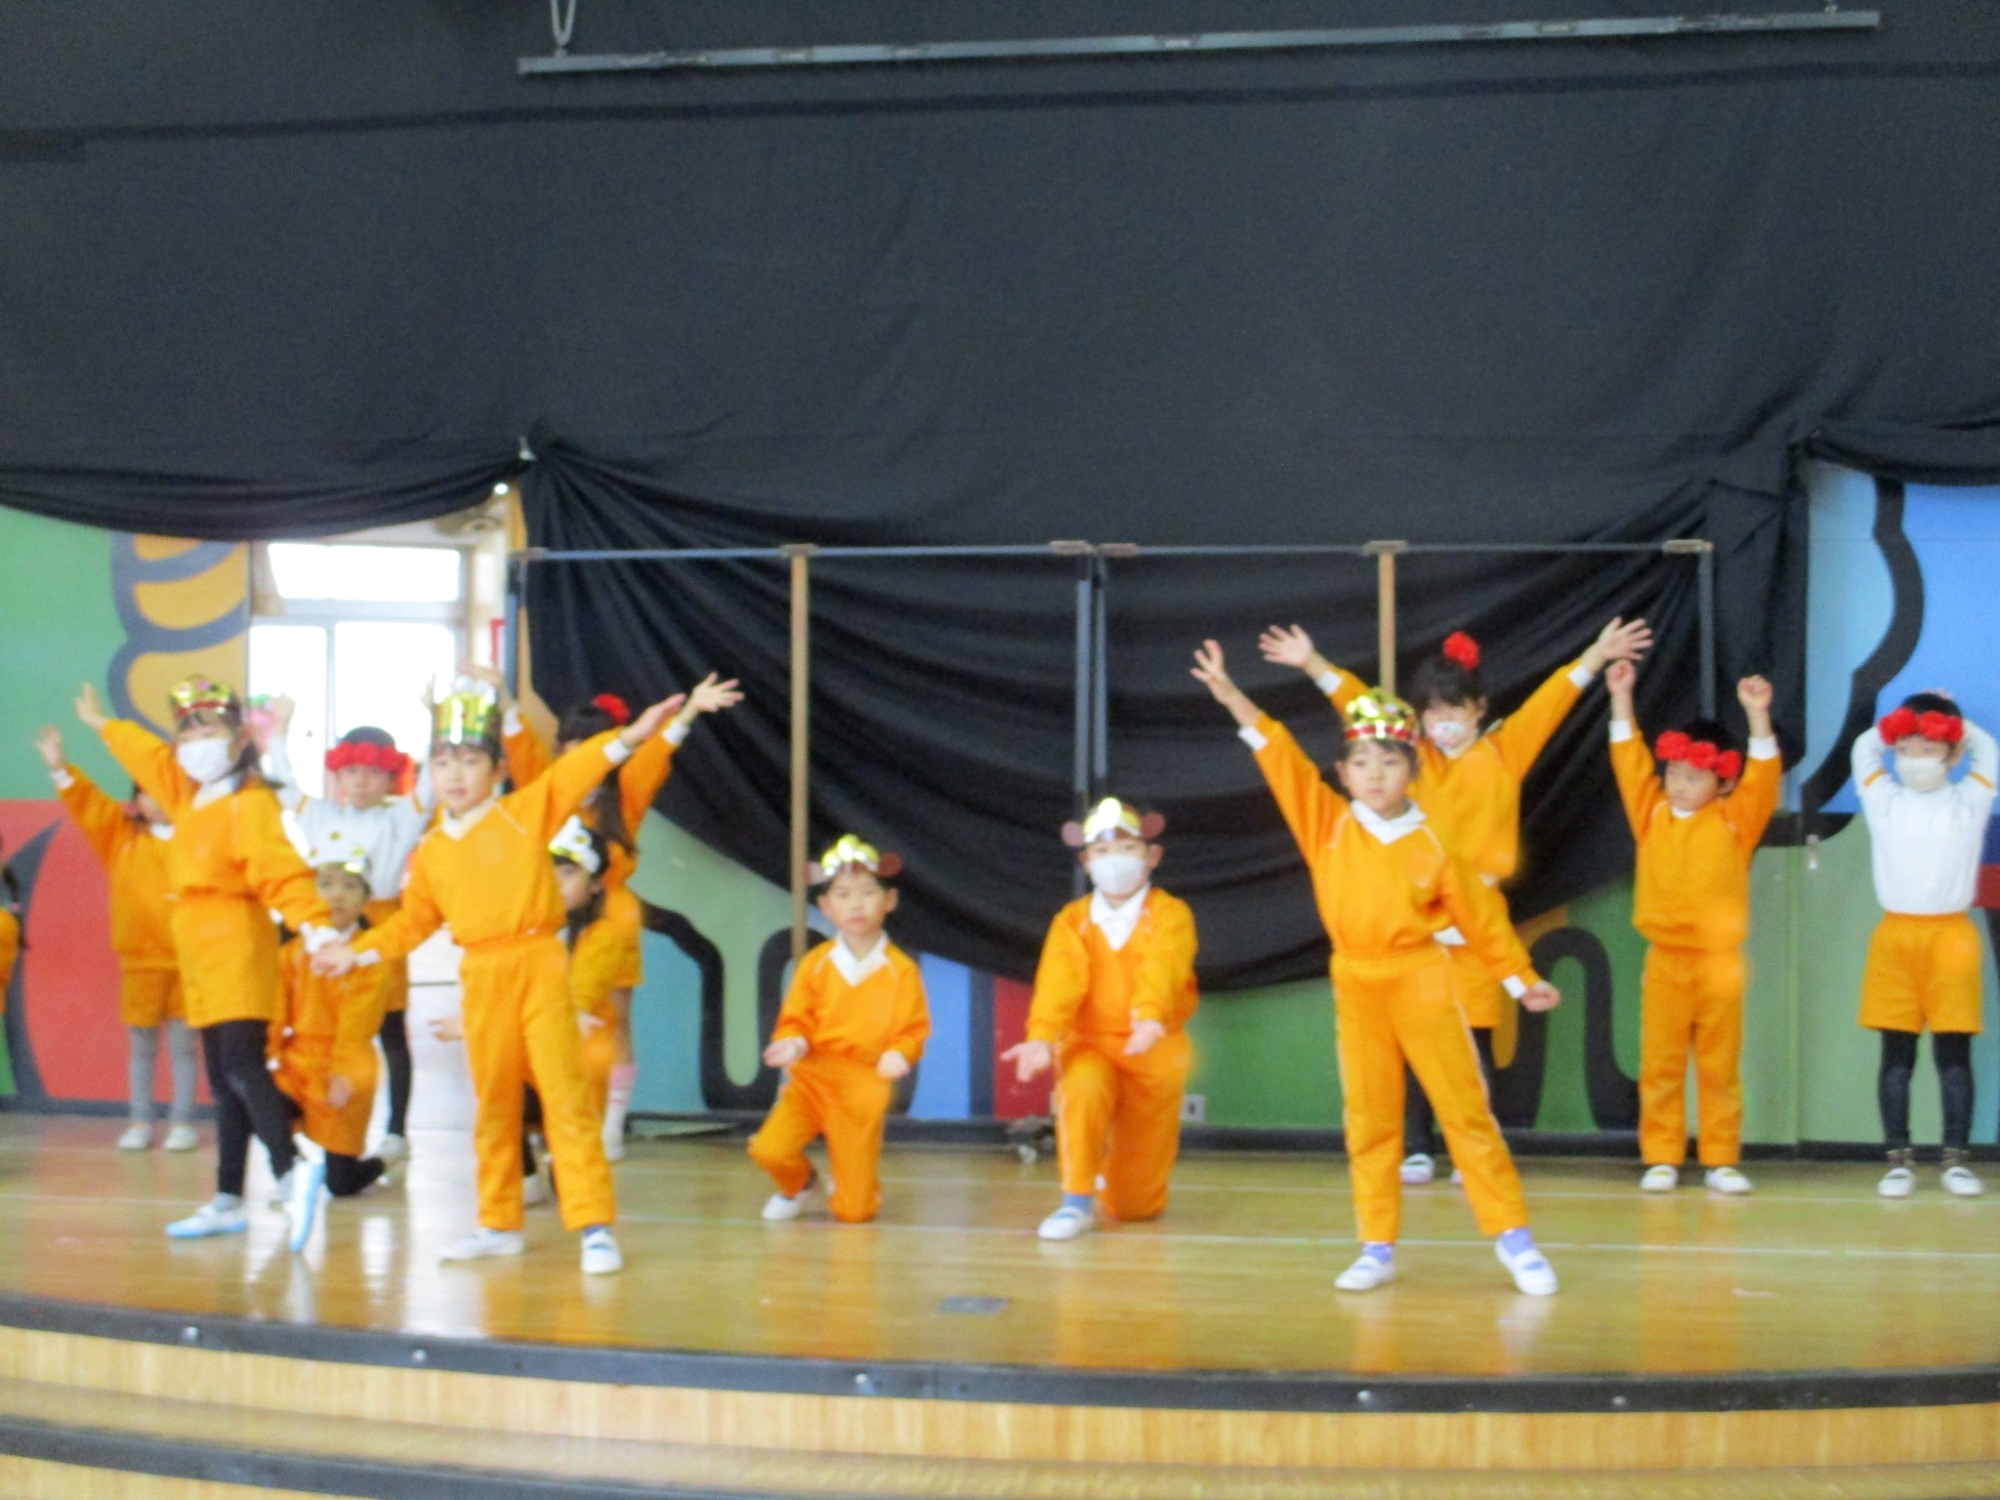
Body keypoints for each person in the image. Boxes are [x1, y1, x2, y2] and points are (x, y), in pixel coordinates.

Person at [1192, 640, 1562, 1295]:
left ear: (1412, 770)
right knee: (1369, 1117)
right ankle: (1376, 1245)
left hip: (1422, 978)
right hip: (1357, 983)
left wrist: (1521, 979)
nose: (1375, 774)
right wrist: (1231, 696)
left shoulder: (1432, 843)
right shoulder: (1327, 825)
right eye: (1362, 762)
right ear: (1343, 772)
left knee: (1465, 1109)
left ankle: (1515, 1238)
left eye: (1389, 761)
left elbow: (1481, 917)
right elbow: (1279, 755)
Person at [313, 676, 688, 1274]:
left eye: (469, 761)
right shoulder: (434, 850)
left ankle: (593, 1225)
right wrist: (354, 953)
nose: (455, 774)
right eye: (443, 762)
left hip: (538, 964)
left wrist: (632, 737)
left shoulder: (522, 813)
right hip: (481, 975)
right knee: (493, 1104)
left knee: (564, 1096)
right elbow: (412, 923)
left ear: (496, 770)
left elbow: (576, 772)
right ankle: (498, 1222)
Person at [1261, 616, 1650, 1186]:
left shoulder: (1503, 753)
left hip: (1473, 921)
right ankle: (1416, 1145)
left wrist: (1596, 654)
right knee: (1412, 1036)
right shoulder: (1411, 761)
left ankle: (1472, 1148)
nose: (1443, 724)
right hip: (1414, 923)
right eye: (1432, 714)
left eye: (1455, 711)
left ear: (1478, 709)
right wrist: (1312, 663)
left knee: (1475, 1039)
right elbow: (1360, 703)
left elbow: (1552, 702)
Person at [79, 677, 333, 1242]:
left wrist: (316, 923)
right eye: (187, 734)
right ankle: (226, 1198)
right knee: (222, 1080)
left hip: (236, 943)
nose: (196, 745)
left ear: (239, 738)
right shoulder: (186, 796)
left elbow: (282, 871)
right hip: (196, 951)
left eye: (209, 731)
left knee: (243, 1065)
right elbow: (148, 756)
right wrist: (105, 727)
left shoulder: (251, 803)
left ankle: (292, 1170)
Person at [477, 665, 742, 1162]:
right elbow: (522, 750)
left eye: (593, 746)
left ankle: (611, 1124)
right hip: (551, 919)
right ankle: (545, 1123)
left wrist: (690, 709)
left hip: (611, 920)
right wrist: (503, 696)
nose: (581, 757)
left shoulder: (626, 795)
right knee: (544, 1018)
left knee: (613, 1021)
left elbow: (659, 752)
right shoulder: (548, 788)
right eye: (572, 746)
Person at [1607, 662, 1779, 1194]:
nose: (1679, 785)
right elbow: (1628, 760)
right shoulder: (1651, 814)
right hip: (1665, 961)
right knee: (1660, 1063)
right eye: (1675, 774)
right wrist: (1621, 696)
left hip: (1719, 964)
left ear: (1722, 780)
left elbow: (1764, 776)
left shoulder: (1735, 819)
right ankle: (1661, 1155)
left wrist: (1757, 715)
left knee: (1718, 1064)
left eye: (1694, 777)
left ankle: (1721, 1158)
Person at [1002, 797, 1199, 1241]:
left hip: (1154, 1050)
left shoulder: (1170, 914)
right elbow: (1059, 979)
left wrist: (1150, 1017)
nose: (1115, 861)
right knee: (1083, 1089)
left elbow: (1163, 965)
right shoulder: (1072, 921)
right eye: (1103, 851)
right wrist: (1041, 1036)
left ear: (1152, 856)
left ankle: (1119, 1178)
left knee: (1135, 1208)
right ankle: (1075, 1201)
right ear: (1087, 861)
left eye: (1128, 849)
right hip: (1089, 1044)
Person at [265, 712, 430, 1165]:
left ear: (391, 778)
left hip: (380, 926)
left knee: (389, 1030)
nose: (362, 781)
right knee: (316, 1021)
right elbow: (284, 784)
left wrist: (433, 718)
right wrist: (281, 731)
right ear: (337, 773)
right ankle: (305, 1121)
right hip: (323, 927)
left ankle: (396, 1131)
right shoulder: (319, 814)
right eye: (352, 771)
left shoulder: (401, 817)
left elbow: (432, 789)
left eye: (374, 773)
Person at [1851, 693, 1996, 1198]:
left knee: (1953, 1054)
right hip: (1895, 938)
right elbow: (1863, 750)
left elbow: (1988, 752)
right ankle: (1898, 1159)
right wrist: (1901, 723)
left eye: (1929, 749)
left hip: (1951, 938)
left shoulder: (1969, 800)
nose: (1916, 759)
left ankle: (1955, 1160)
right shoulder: (1884, 799)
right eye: (1906, 748)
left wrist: (1954, 721)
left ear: (1953, 755)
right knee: (1897, 1055)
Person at [750, 836, 930, 1225]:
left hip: (862, 1085)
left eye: (867, 892)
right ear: (826, 907)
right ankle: (799, 1183)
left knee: (854, 1211)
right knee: (768, 1149)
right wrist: (792, 1042)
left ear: (889, 900)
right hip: (811, 1079)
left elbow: (912, 1028)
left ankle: (857, 1188)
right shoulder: (815, 964)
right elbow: (795, 1018)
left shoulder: (901, 970)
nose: (856, 904)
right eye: (843, 895)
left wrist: (899, 1052)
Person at [36, 726, 199, 1150]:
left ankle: (182, 1123)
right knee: (142, 1048)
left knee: (184, 1049)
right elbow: (88, 804)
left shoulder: (198, 840)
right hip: (140, 963)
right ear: (136, 800)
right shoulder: (121, 839)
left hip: (189, 963)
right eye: (147, 793)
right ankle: (141, 1122)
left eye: (164, 792)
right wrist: (60, 767)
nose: (156, 801)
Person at [272, 847, 395, 1251]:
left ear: (366, 899)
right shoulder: (292, 952)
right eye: (325, 885)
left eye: (349, 887)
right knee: (260, 1103)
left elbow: (358, 1025)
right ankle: (292, 1171)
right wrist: (269, 1057)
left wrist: (343, 1073)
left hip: (347, 1064)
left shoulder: (370, 956)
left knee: (342, 1183)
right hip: (298, 1060)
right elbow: (275, 1012)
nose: (336, 895)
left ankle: (385, 1159)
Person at [551, 817, 625, 1131]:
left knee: (577, 1132)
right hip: (541, 1051)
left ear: (595, 884)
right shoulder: (533, 933)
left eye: (568, 873)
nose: (555, 883)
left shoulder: (603, 935)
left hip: (581, 1056)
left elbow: (584, 992)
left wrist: (575, 1010)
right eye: (548, 873)